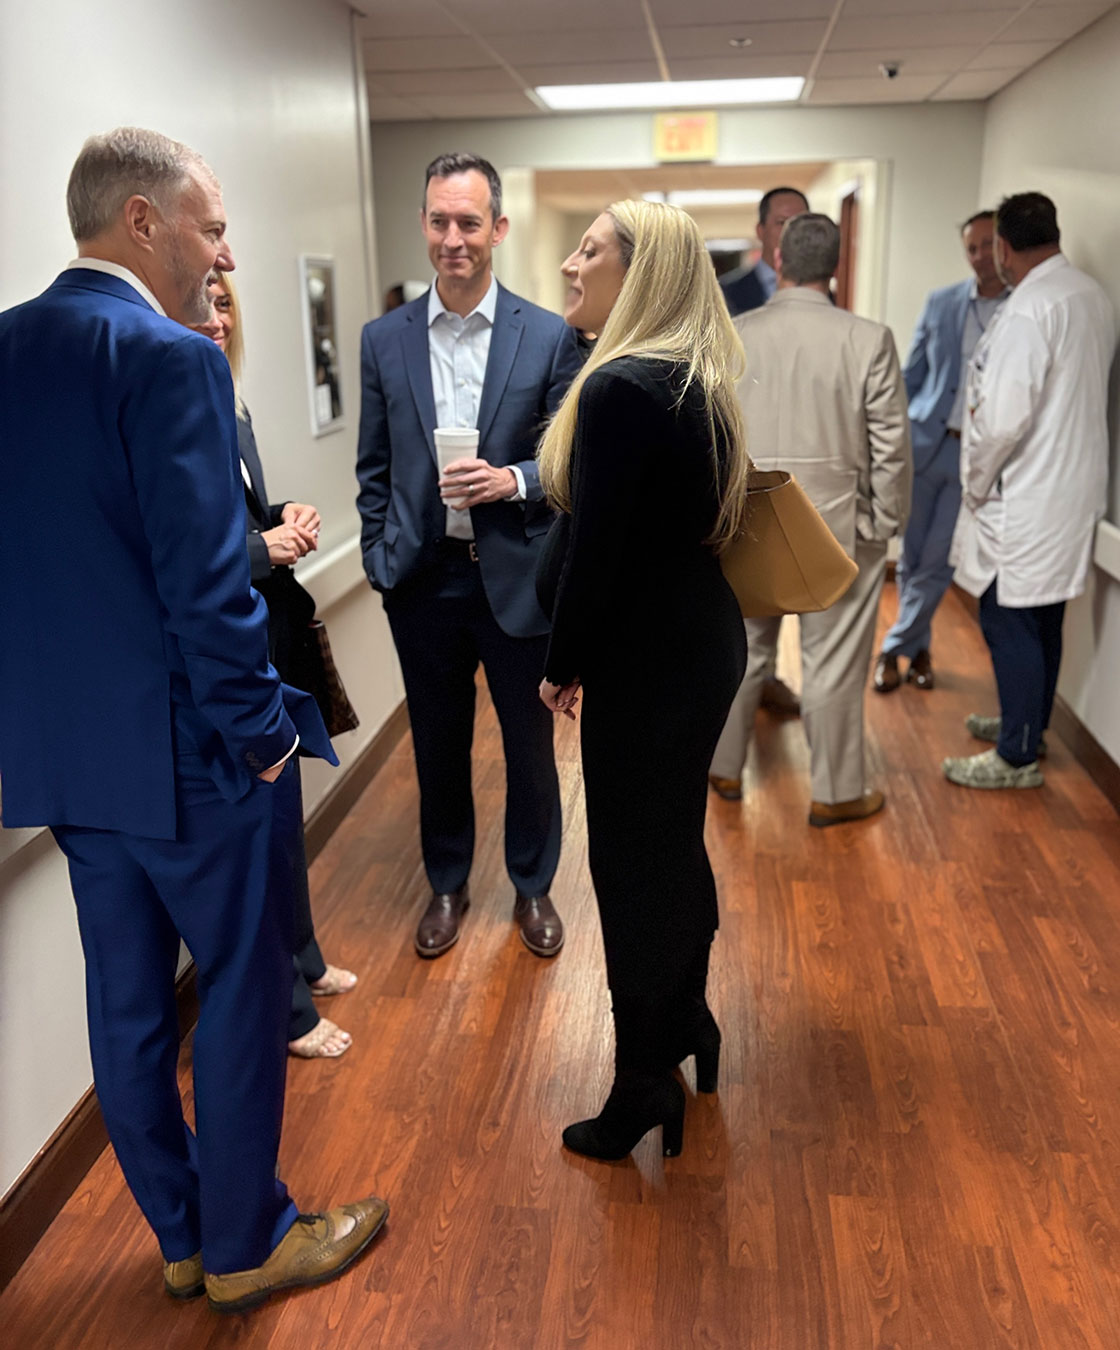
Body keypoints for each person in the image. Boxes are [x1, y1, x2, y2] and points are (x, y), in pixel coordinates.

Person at [0, 127, 386, 1314]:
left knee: (124, 1006)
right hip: (190, 756)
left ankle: (181, 1236)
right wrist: (263, 736)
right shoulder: (169, 358)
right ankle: (247, 1243)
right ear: (141, 220)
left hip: (65, 762)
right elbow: (207, 587)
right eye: (211, 227)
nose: (223, 252)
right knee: (242, 983)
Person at [536, 200, 750, 1160]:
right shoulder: (696, 378)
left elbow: (596, 554)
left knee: (630, 870)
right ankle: (685, 1023)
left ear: (639, 273)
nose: (571, 264)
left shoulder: (623, 386)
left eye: (590, 250)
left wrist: (559, 667)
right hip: (694, 647)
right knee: (669, 850)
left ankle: (641, 1082)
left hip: (650, 661)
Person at [356, 152, 582, 960]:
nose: (453, 238)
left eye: (469, 222)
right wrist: (379, 559)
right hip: (423, 582)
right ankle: (447, 882)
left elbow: (567, 461)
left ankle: (532, 886)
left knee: (530, 747)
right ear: (423, 223)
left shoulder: (549, 335)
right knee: (437, 744)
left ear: (499, 228)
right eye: (439, 221)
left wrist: (511, 479)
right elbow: (374, 466)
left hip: (517, 576)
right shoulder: (383, 339)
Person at [193, 272, 357, 1060]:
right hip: (225, 660)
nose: (216, 316)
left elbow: (240, 516)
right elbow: (190, 560)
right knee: (259, 838)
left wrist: (283, 513)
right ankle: (289, 1013)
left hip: (271, 644)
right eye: (201, 302)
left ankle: (308, 962)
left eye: (226, 302)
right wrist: (265, 548)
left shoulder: (232, 405)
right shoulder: (177, 409)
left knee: (285, 822)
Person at [709, 213, 912, 827]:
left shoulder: (735, 334)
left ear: (778, 260)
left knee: (743, 652)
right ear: (836, 267)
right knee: (834, 663)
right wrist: (883, 522)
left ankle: (723, 768)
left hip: (749, 524)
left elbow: (716, 438)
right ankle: (836, 792)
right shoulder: (868, 339)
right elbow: (891, 446)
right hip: (838, 530)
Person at [944, 192, 1115, 790]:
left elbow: (1002, 422)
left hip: (1027, 494)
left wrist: (975, 484)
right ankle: (1027, 727)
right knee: (1043, 618)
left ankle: (1016, 758)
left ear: (1004, 247)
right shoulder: (1090, 294)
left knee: (1007, 619)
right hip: (1070, 491)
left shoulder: (1027, 310)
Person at [874, 211, 1010, 694]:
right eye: (971, 247)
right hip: (924, 445)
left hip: (976, 458)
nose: (980, 256)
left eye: (988, 244)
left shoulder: (1020, 308)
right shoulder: (943, 302)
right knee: (912, 557)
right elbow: (912, 375)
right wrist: (892, 434)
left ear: (1004, 245)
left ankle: (891, 648)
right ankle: (920, 651)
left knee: (938, 559)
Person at [716, 185, 811, 732]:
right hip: (747, 466)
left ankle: (768, 678)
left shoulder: (824, 295)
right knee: (748, 601)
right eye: (781, 222)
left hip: (805, 463)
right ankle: (733, 708)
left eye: (801, 222)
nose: (790, 233)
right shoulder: (729, 294)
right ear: (761, 232)